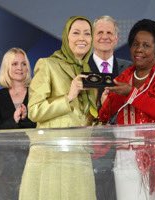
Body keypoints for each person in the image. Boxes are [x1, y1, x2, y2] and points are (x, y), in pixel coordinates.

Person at [99, 19, 155, 200]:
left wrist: (132, 93)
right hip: (127, 156)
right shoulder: (123, 77)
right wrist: (107, 100)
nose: (139, 49)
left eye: (146, 45)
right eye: (135, 44)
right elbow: (105, 115)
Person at [18, 16, 97, 200]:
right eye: (76, 32)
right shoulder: (48, 64)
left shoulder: (88, 72)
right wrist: (69, 96)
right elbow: (35, 111)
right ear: (66, 37)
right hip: (52, 158)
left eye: (87, 33)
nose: (82, 38)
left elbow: (83, 118)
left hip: (79, 157)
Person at [89, 15, 131, 200]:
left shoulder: (131, 70)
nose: (105, 36)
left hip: (123, 149)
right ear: (92, 36)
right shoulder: (78, 67)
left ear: (116, 38)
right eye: (100, 32)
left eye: (109, 32)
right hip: (90, 148)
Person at [0, 48, 36, 200]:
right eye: (15, 63)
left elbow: (41, 125)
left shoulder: (36, 92)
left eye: (23, 64)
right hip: (6, 164)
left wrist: (26, 117)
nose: (20, 68)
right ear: (6, 68)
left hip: (33, 159)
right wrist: (14, 119)